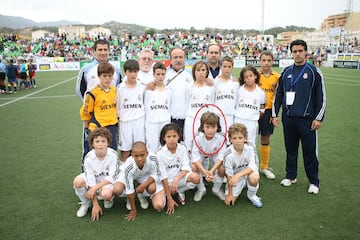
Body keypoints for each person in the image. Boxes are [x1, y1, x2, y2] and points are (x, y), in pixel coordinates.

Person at [272, 39, 326, 194]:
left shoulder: (314, 72)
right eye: (294, 51)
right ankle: (291, 175)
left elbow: (321, 97)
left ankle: (314, 181)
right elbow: (278, 94)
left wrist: (318, 118)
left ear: (306, 52)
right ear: (291, 53)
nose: (297, 54)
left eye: (300, 51)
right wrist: (275, 114)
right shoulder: (286, 72)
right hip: (289, 118)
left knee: (309, 151)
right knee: (291, 149)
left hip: (308, 120)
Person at [76, 39, 121, 167]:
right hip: (93, 119)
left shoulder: (116, 70)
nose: (103, 52)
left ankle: (110, 177)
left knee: (111, 149)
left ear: (109, 51)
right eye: (100, 50)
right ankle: (87, 176)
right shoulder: (86, 69)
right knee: (90, 150)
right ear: (94, 51)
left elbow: (117, 90)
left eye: (105, 49)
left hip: (111, 119)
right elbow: (80, 91)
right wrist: (93, 107)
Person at [113, 141, 177, 221]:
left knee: (152, 190)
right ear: (132, 155)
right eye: (136, 156)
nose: (139, 158)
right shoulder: (128, 168)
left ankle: (141, 194)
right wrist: (133, 210)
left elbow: (163, 177)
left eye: (142, 155)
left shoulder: (154, 158)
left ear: (147, 153)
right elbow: (130, 190)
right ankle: (128, 199)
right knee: (117, 189)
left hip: (145, 174)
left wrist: (170, 199)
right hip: (131, 174)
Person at [73, 127, 119, 220]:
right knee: (78, 182)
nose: (100, 144)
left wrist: (94, 188)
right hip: (94, 181)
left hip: (106, 182)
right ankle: (86, 203)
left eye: (103, 141)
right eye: (97, 141)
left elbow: (112, 177)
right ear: (92, 144)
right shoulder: (89, 157)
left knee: (106, 195)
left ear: (108, 143)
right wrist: (95, 204)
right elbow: (90, 180)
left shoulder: (113, 155)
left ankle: (108, 199)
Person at [79, 62, 118, 164]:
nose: (107, 79)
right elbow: (85, 112)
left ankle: (110, 177)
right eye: (104, 76)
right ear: (99, 76)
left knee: (112, 154)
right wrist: (88, 128)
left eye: (110, 76)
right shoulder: (92, 93)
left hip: (112, 127)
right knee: (97, 156)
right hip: (99, 128)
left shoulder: (114, 90)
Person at [157, 123, 200, 205]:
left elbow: (186, 167)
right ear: (164, 138)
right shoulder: (160, 153)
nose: (172, 139)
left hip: (178, 178)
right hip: (165, 182)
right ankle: (168, 193)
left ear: (178, 136)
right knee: (159, 206)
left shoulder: (183, 148)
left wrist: (176, 180)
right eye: (169, 137)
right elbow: (162, 176)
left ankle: (179, 191)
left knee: (196, 177)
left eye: (174, 136)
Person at [224, 123, 263, 208]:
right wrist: (230, 194)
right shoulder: (228, 154)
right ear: (230, 140)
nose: (237, 141)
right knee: (230, 202)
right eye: (234, 138)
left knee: (254, 178)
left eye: (240, 138)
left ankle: (252, 196)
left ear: (245, 138)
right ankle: (243, 184)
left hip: (247, 173)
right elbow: (229, 175)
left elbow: (253, 166)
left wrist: (238, 175)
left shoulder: (251, 147)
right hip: (235, 177)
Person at [191, 111, 226, 202]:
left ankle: (216, 189)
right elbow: (195, 157)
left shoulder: (221, 137)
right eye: (207, 127)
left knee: (222, 168)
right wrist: (205, 172)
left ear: (217, 127)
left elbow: (221, 156)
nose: (210, 130)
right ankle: (201, 189)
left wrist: (211, 171)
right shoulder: (197, 137)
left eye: (213, 127)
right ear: (202, 126)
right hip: (202, 154)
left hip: (215, 153)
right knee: (194, 167)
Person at [117, 59, 146, 162]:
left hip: (139, 121)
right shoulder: (120, 89)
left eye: (135, 71)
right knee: (125, 151)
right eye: (130, 72)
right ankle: (123, 174)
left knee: (140, 149)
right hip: (125, 122)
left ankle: (140, 174)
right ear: (125, 72)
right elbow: (118, 107)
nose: (133, 74)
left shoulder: (142, 87)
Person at [257, 51, 280, 179]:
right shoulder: (254, 75)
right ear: (260, 61)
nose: (266, 63)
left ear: (272, 62)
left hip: (269, 112)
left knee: (265, 138)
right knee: (249, 139)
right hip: (254, 111)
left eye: (268, 60)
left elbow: (278, 96)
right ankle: (250, 166)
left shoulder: (277, 77)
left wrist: (275, 114)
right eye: (263, 60)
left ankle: (264, 167)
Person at [184, 60, 215, 151]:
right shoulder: (189, 87)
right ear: (194, 72)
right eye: (198, 70)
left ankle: (203, 165)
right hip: (191, 118)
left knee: (204, 146)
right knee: (190, 144)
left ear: (207, 72)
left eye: (203, 70)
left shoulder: (211, 88)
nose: (200, 73)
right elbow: (187, 103)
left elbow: (212, 105)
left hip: (205, 120)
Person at [165, 47, 194, 140]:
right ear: (171, 59)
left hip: (186, 119)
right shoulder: (164, 74)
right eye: (175, 57)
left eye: (181, 57)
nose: (178, 60)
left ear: (185, 58)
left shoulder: (191, 75)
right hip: (168, 118)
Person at [234, 65, 266, 146]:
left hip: (252, 122)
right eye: (246, 77)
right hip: (239, 120)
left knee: (250, 145)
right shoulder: (239, 90)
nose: (249, 78)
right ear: (243, 79)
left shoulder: (260, 93)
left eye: (250, 76)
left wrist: (254, 116)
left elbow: (262, 108)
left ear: (255, 76)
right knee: (237, 144)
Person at [144, 62, 171, 153]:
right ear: (153, 74)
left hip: (165, 122)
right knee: (152, 149)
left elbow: (169, 107)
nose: (160, 76)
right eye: (158, 74)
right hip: (152, 123)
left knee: (164, 148)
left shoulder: (169, 90)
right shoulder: (149, 91)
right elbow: (146, 108)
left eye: (163, 74)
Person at [214, 56, 239, 139]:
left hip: (231, 116)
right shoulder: (215, 82)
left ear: (232, 67)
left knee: (229, 140)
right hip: (217, 116)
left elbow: (237, 101)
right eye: (224, 66)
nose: (227, 69)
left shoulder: (235, 83)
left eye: (229, 67)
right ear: (220, 67)